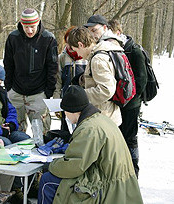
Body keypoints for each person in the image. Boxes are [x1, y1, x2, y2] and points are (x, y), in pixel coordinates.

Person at [38, 85, 143, 204]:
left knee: (47, 180)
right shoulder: (99, 119)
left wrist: (51, 166)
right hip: (120, 183)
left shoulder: (89, 129)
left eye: (65, 111)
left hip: (107, 188)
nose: (65, 115)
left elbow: (75, 165)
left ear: (72, 111)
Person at [3, 8, 58, 135]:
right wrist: (9, 88)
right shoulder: (13, 38)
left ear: (38, 22)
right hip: (16, 92)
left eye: (32, 26)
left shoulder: (48, 39)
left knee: (42, 134)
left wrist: (48, 91)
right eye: (26, 27)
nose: (29, 30)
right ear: (21, 24)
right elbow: (8, 64)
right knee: (15, 133)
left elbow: (52, 67)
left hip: (38, 94)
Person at [108, 19, 148, 178]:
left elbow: (141, 80)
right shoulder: (111, 50)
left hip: (131, 104)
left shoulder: (134, 50)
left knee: (130, 138)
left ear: (118, 33)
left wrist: (128, 97)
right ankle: (118, 172)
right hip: (116, 102)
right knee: (117, 137)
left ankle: (133, 172)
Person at [67, 26, 122, 126]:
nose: (78, 54)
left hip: (105, 117)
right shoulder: (98, 54)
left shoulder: (98, 59)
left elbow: (106, 90)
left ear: (81, 45)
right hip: (106, 115)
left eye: (76, 50)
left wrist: (81, 95)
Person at [53, 26, 88, 132]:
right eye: (67, 42)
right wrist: (56, 100)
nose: (69, 46)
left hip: (83, 101)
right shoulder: (62, 58)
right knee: (66, 130)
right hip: (66, 99)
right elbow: (58, 81)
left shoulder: (86, 57)